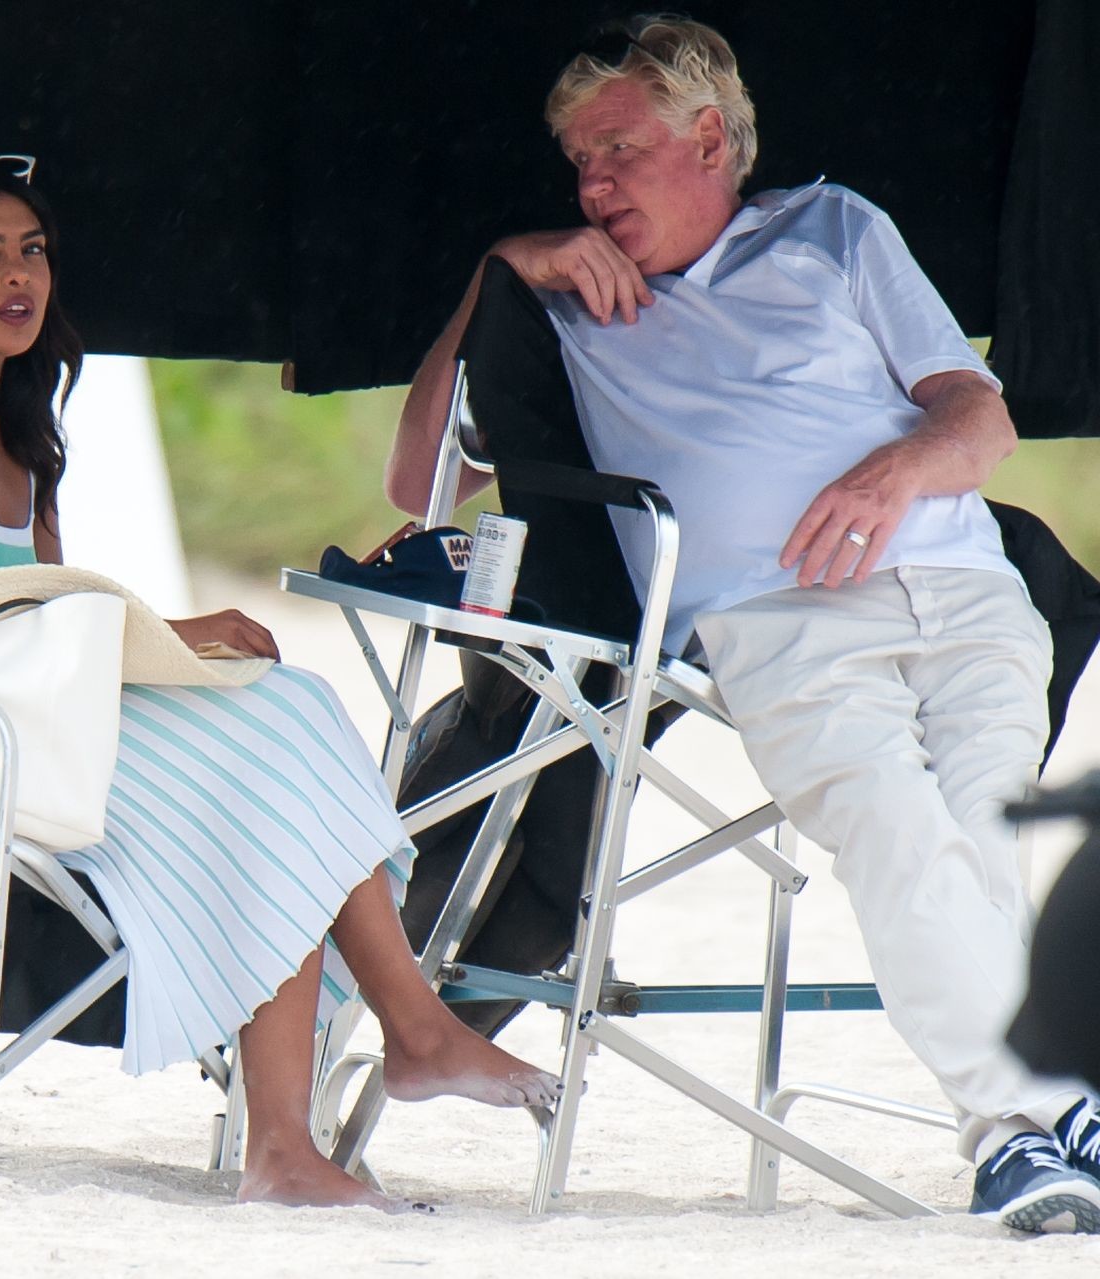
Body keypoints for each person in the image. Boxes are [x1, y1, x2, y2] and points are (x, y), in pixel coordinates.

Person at [387, 16, 1100, 1233]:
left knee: (977, 834)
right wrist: (505, 264)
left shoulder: (835, 228)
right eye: (579, 162)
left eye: (618, 149)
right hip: (778, 620)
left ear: (711, 140)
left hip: (967, 587)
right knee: (899, 828)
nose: (592, 185)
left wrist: (892, 474)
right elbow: (418, 484)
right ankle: (1032, 1124)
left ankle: (1038, 1135)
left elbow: (978, 420)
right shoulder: (566, 305)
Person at [0, 154, 561, 1210]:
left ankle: (310, 1123)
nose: (18, 276)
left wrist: (171, 650)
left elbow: (33, 627)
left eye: (33, 252)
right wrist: (172, 634)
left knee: (287, 710)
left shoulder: (20, 429)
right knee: (259, 756)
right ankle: (388, 1051)